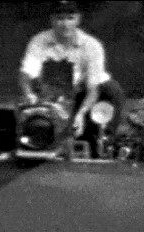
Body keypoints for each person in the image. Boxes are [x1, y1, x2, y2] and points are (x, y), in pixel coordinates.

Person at [18, 3, 125, 151]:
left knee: (111, 89)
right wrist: (28, 94)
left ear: (78, 20)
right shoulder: (39, 41)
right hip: (53, 95)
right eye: (60, 19)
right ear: (52, 20)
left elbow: (93, 88)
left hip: (84, 95)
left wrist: (81, 114)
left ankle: (105, 143)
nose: (65, 24)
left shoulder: (92, 45)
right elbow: (26, 73)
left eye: (70, 18)